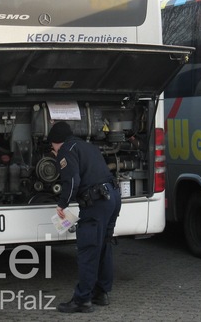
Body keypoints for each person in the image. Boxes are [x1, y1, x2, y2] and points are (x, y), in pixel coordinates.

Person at [48, 121, 122, 314]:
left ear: (56, 142)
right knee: (104, 245)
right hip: (112, 197)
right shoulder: (88, 146)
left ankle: (82, 300)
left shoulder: (65, 150)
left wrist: (63, 203)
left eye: (52, 146)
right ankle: (101, 293)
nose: (52, 149)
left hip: (96, 202)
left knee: (88, 249)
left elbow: (72, 180)